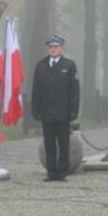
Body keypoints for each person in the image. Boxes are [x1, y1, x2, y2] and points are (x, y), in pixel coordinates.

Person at [31, 35, 79, 181]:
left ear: (61, 48)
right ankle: (51, 172)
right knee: (49, 144)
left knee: (64, 144)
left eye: (56, 47)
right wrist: (35, 109)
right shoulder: (41, 66)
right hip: (46, 112)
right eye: (51, 47)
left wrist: (73, 111)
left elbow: (74, 91)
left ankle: (62, 172)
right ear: (48, 49)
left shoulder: (69, 66)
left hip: (63, 112)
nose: (53, 49)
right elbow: (36, 90)